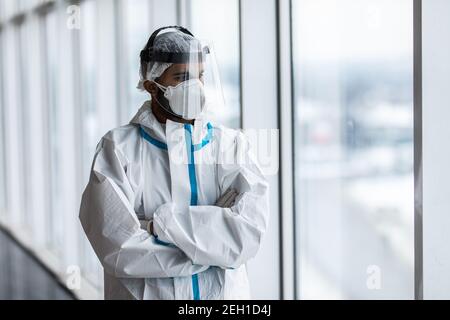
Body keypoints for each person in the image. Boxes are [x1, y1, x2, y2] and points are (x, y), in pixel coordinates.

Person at [79, 26, 269, 300]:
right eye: (182, 77)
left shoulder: (231, 146)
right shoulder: (118, 149)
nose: (197, 86)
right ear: (151, 86)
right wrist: (211, 251)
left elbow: (246, 237)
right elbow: (119, 250)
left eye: (200, 75)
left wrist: (156, 225)